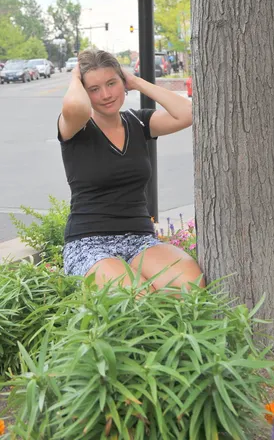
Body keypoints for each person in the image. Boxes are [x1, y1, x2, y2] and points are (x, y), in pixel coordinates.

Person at [58, 49, 204, 292]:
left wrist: (136, 81)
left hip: (139, 240)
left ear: (122, 82)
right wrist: (75, 76)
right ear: (84, 92)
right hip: (88, 243)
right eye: (93, 89)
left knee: (191, 287)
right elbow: (75, 106)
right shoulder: (76, 128)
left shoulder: (138, 122)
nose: (105, 95)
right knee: (135, 297)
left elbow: (189, 113)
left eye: (112, 83)